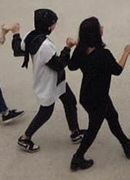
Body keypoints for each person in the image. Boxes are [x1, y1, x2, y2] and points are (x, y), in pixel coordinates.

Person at [68, 17, 130, 171]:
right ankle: (77, 158)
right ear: (95, 34)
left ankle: (126, 144)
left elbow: (72, 66)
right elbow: (117, 70)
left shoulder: (81, 50)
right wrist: (126, 53)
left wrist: (75, 45)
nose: (102, 27)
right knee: (93, 129)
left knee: (112, 116)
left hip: (88, 95)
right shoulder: (103, 54)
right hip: (98, 98)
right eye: (99, 27)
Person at [14, 8, 82, 151]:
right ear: (48, 26)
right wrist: (67, 48)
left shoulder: (30, 36)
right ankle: (25, 138)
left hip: (55, 80)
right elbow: (58, 64)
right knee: (46, 112)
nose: (54, 27)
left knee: (69, 101)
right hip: (49, 82)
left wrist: (16, 34)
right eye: (53, 24)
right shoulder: (45, 46)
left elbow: (18, 50)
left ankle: (75, 132)